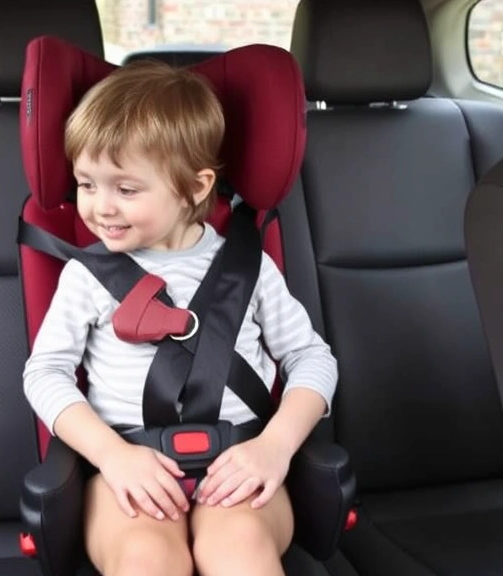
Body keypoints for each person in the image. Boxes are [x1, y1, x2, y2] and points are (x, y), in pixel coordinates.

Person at [22, 60, 338, 576]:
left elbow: (311, 358)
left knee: (240, 555)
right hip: (129, 464)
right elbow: (45, 372)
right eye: (86, 183)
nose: (100, 207)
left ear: (195, 187)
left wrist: (275, 448)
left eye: (125, 189)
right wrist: (112, 457)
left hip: (242, 463)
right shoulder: (87, 276)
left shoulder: (248, 266)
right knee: (146, 560)